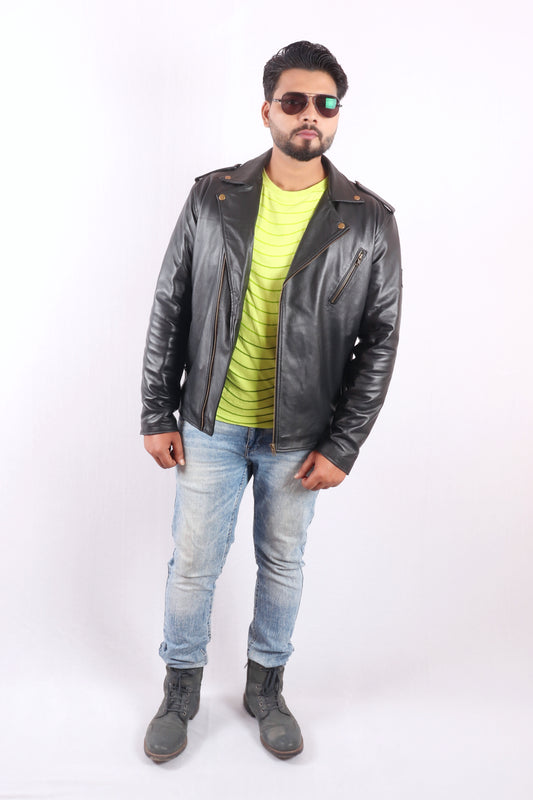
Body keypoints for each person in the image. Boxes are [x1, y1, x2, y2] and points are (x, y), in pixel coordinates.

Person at [141, 40, 402, 762]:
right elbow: (170, 302)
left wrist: (343, 443)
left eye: (325, 102)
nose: (310, 113)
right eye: (294, 101)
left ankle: (266, 688)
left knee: (282, 562)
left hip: (302, 435)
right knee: (193, 564)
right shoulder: (212, 196)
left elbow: (380, 341)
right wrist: (156, 411)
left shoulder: (369, 220)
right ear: (267, 112)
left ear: (337, 114)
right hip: (211, 423)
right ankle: (180, 690)